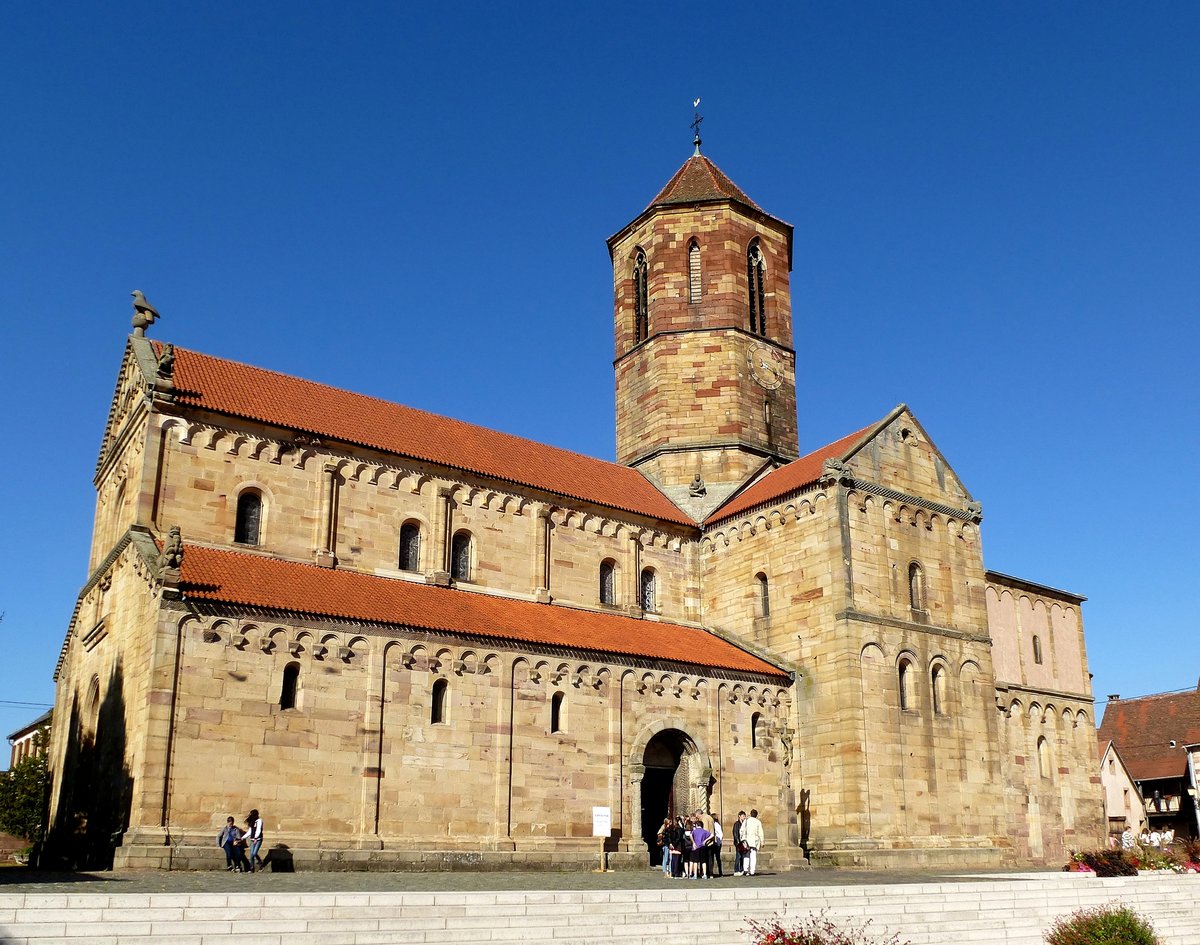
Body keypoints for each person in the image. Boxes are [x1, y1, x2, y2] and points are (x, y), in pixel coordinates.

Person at [743, 808, 764, 876]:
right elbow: (760, 832)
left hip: (747, 840)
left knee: (746, 855)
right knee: (753, 855)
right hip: (754, 841)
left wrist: (742, 839)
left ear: (750, 814)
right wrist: (762, 841)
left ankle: (745, 869)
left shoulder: (746, 821)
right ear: (756, 815)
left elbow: (742, 830)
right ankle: (752, 871)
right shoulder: (758, 822)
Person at [245, 809, 265, 873]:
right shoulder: (252, 822)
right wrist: (242, 838)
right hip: (252, 839)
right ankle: (252, 868)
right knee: (251, 855)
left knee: (254, 853)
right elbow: (249, 832)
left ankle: (260, 863)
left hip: (258, 840)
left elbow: (258, 829)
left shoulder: (259, 821)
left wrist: (256, 837)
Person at [732, 810, 747, 875]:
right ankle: (736, 869)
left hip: (743, 842)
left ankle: (741, 869)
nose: (744, 817)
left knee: (742, 856)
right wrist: (738, 842)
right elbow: (735, 833)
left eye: (744, 816)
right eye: (743, 816)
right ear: (739, 816)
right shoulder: (737, 824)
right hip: (738, 843)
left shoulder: (744, 824)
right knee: (738, 856)